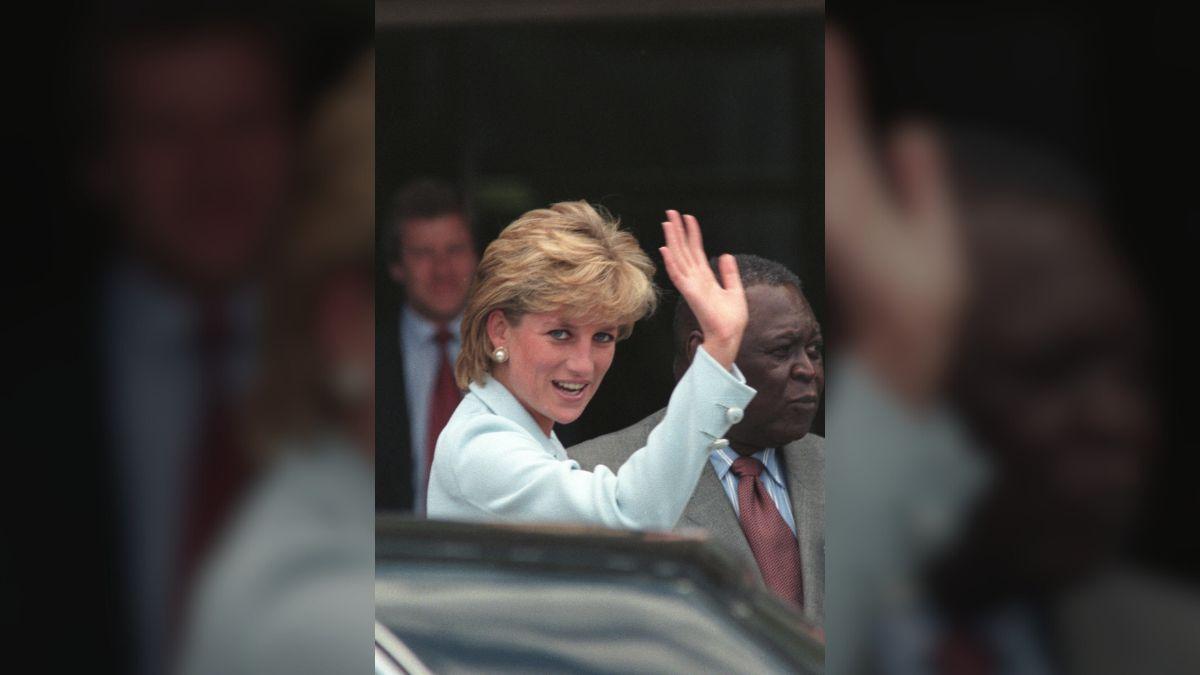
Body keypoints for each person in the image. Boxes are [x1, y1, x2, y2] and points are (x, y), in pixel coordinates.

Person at [427, 204, 756, 529]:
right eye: (560, 334)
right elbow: (628, 517)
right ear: (500, 330)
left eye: (602, 336)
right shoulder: (483, 445)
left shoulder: (522, 430)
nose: (583, 365)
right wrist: (719, 347)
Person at [569, 254, 824, 618]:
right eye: (782, 351)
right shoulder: (593, 476)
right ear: (705, 355)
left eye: (814, 350)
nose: (807, 370)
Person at [377, 179, 478, 513]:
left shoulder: (512, 349)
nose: (443, 270)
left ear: (476, 257)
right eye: (423, 254)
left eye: (455, 250)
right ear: (395, 266)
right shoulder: (363, 352)